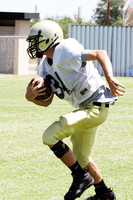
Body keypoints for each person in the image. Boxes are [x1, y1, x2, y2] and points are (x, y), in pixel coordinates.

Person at [25, 20, 125, 200]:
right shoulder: (44, 66)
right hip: (85, 108)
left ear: (48, 39)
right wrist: (30, 96)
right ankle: (104, 193)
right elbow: (46, 102)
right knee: (82, 157)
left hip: (96, 105)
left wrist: (109, 77)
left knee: (49, 136)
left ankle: (80, 177)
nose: (32, 45)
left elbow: (100, 53)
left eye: (35, 40)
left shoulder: (65, 50)